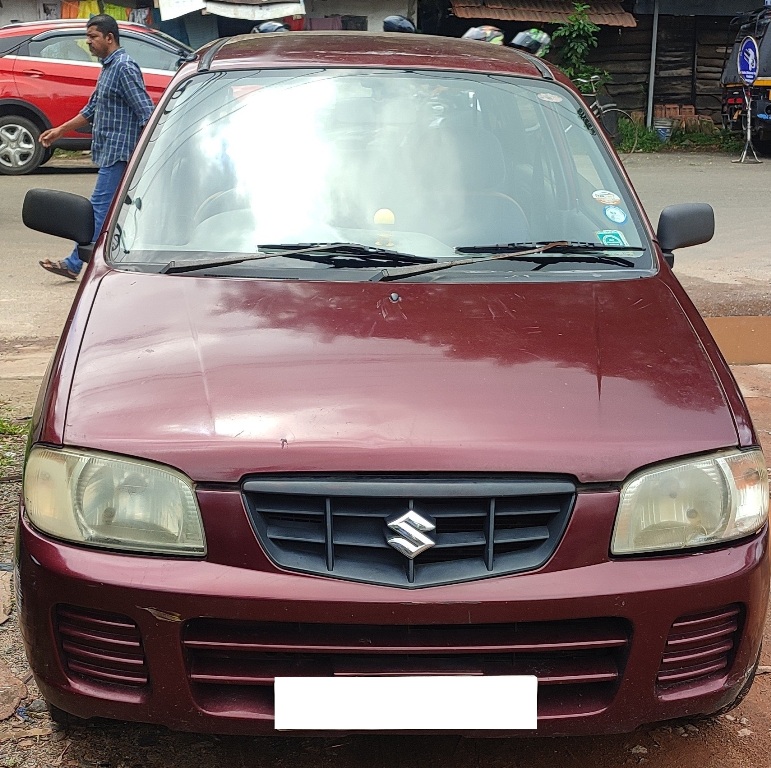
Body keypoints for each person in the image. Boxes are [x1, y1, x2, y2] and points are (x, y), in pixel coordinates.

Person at [38, 15, 153, 280]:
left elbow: (145, 111)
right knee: (117, 211)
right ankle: (119, 259)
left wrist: (145, 153)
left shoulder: (124, 67)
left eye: (93, 37)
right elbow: (92, 109)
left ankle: (74, 264)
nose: (88, 42)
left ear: (109, 38)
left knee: (98, 209)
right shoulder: (108, 67)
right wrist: (59, 131)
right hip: (110, 152)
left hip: (120, 153)